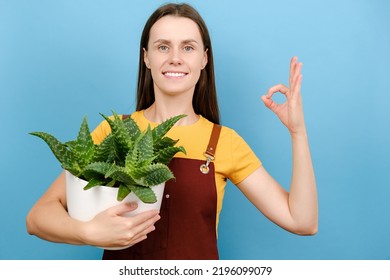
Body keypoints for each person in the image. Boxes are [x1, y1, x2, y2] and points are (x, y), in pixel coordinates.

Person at [26, 3, 318, 260]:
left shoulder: (225, 142)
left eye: (188, 47)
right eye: (163, 46)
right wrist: (87, 232)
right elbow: (38, 217)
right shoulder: (114, 131)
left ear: (204, 59)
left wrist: (298, 132)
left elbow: (302, 221)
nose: (175, 57)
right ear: (146, 57)